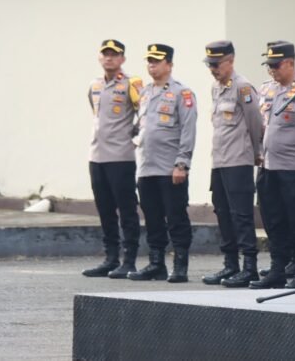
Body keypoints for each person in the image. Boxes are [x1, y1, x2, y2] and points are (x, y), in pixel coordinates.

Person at [250, 42, 295, 290]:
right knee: (273, 219)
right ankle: (278, 267)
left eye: (276, 65)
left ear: (290, 63)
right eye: (269, 66)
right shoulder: (266, 89)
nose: (272, 71)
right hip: (268, 166)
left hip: (294, 167)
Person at [130, 44, 196, 282]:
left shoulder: (182, 93)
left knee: (176, 216)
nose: (151, 65)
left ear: (169, 64)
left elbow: (188, 130)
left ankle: (180, 266)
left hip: (170, 168)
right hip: (147, 166)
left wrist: (182, 163)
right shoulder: (145, 92)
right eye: (149, 61)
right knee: (152, 216)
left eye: (156, 61)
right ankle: (156, 263)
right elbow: (141, 126)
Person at [202, 40, 263, 288]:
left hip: (238, 160)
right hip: (219, 161)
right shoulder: (217, 88)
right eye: (210, 65)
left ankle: (249, 267)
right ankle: (230, 265)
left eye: (216, 64)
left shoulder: (243, 87)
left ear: (230, 61)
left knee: (241, 215)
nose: (213, 69)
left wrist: (256, 152)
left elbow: (255, 122)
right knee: (223, 213)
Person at [82, 39, 142, 279]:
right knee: (105, 209)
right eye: (105, 54)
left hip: (121, 157)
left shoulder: (131, 84)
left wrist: (135, 134)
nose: (109, 59)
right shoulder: (94, 85)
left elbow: (144, 113)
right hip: (97, 156)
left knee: (126, 209)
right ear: (100, 57)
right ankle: (110, 258)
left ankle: (129, 260)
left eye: (114, 55)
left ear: (122, 59)